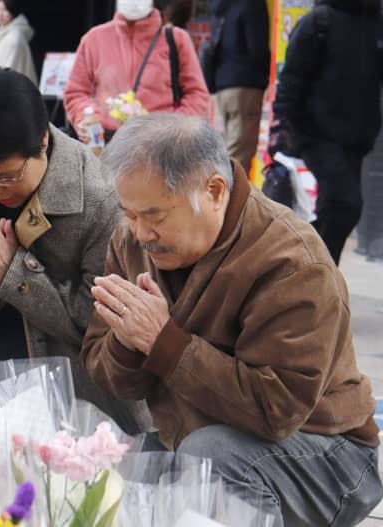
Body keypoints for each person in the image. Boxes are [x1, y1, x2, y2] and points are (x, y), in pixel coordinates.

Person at [83, 113, 382, 526]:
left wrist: (163, 341)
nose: (140, 233)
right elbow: (113, 376)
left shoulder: (292, 262)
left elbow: (277, 412)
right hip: (195, 434)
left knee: (209, 462)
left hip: (325, 452)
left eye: (154, 215)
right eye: (129, 214)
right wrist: (127, 340)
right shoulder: (132, 241)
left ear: (214, 190)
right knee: (113, 475)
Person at [0, 66, 149, 434]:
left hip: (78, 409)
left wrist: (16, 277)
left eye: (5, 176)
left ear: (43, 144)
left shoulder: (99, 197)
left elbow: (99, 325)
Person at [271, 0, 383, 265]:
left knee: (334, 209)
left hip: (357, 138)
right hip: (315, 134)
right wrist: (283, 128)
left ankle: (309, 272)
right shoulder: (319, 22)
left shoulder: (375, 23)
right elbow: (291, 79)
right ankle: (317, 271)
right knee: (345, 203)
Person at [64, 0, 208, 146]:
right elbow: (76, 93)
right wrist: (89, 117)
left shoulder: (177, 40)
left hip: (162, 148)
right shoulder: (93, 39)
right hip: (108, 145)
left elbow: (197, 95)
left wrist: (173, 128)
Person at [209, 0, 270, 174]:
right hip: (245, 85)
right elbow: (257, 47)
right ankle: (227, 198)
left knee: (230, 147)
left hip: (223, 84)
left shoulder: (220, 5)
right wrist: (267, 73)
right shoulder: (252, 4)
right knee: (240, 153)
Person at [0, 0, 38, 85]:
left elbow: (8, 71)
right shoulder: (4, 34)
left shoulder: (14, 37)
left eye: (4, 10)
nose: (0, 14)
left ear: (13, 11)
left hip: (12, 92)